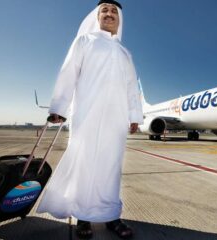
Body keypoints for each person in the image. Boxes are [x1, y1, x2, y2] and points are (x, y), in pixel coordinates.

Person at [36, 0, 143, 239]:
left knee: (111, 167)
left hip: (116, 118)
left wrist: (134, 115)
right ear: (96, 16)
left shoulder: (125, 53)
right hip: (86, 114)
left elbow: (131, 88)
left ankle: (111, 217)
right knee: (85, 164)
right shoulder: (85, 41)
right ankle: (83, 217)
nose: (109, 13)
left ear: (120, 20)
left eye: (114, 11)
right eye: (104, 9)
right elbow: (68, 72)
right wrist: (59, 107)